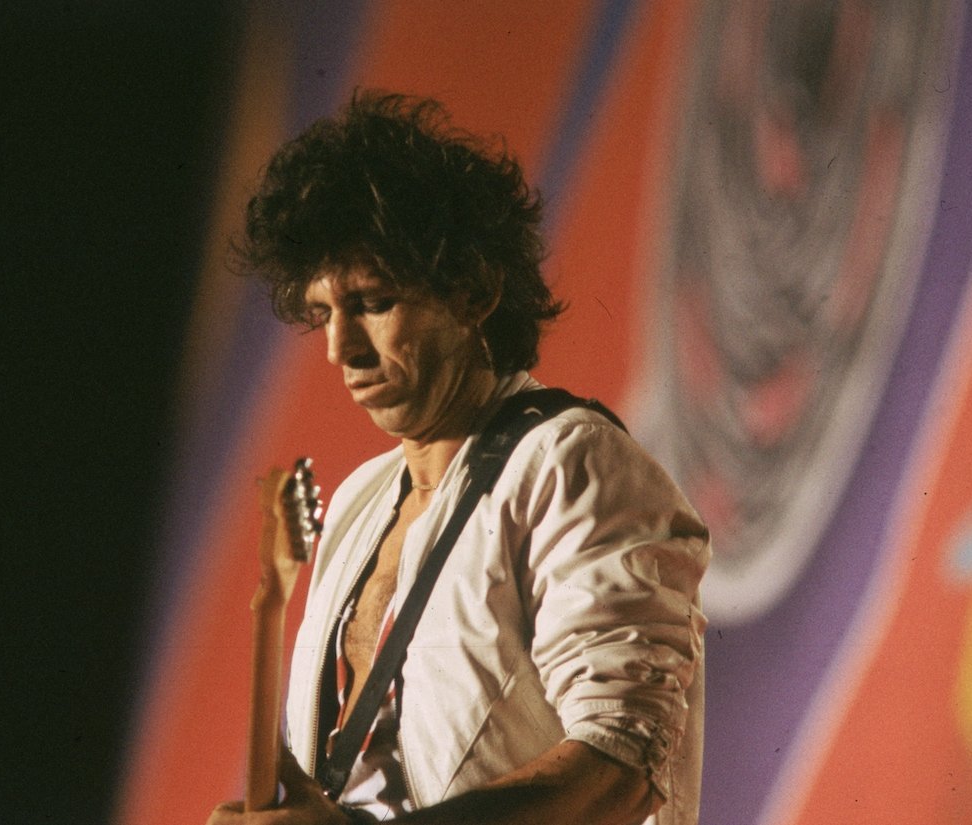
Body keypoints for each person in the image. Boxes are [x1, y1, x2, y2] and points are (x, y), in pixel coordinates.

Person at [208, 92, 709, 825]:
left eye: (372, 301)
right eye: (323, 312)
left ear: (474, 290)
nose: (339, 349)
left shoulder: (574, 463)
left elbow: (620, 773)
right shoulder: (360, 499)